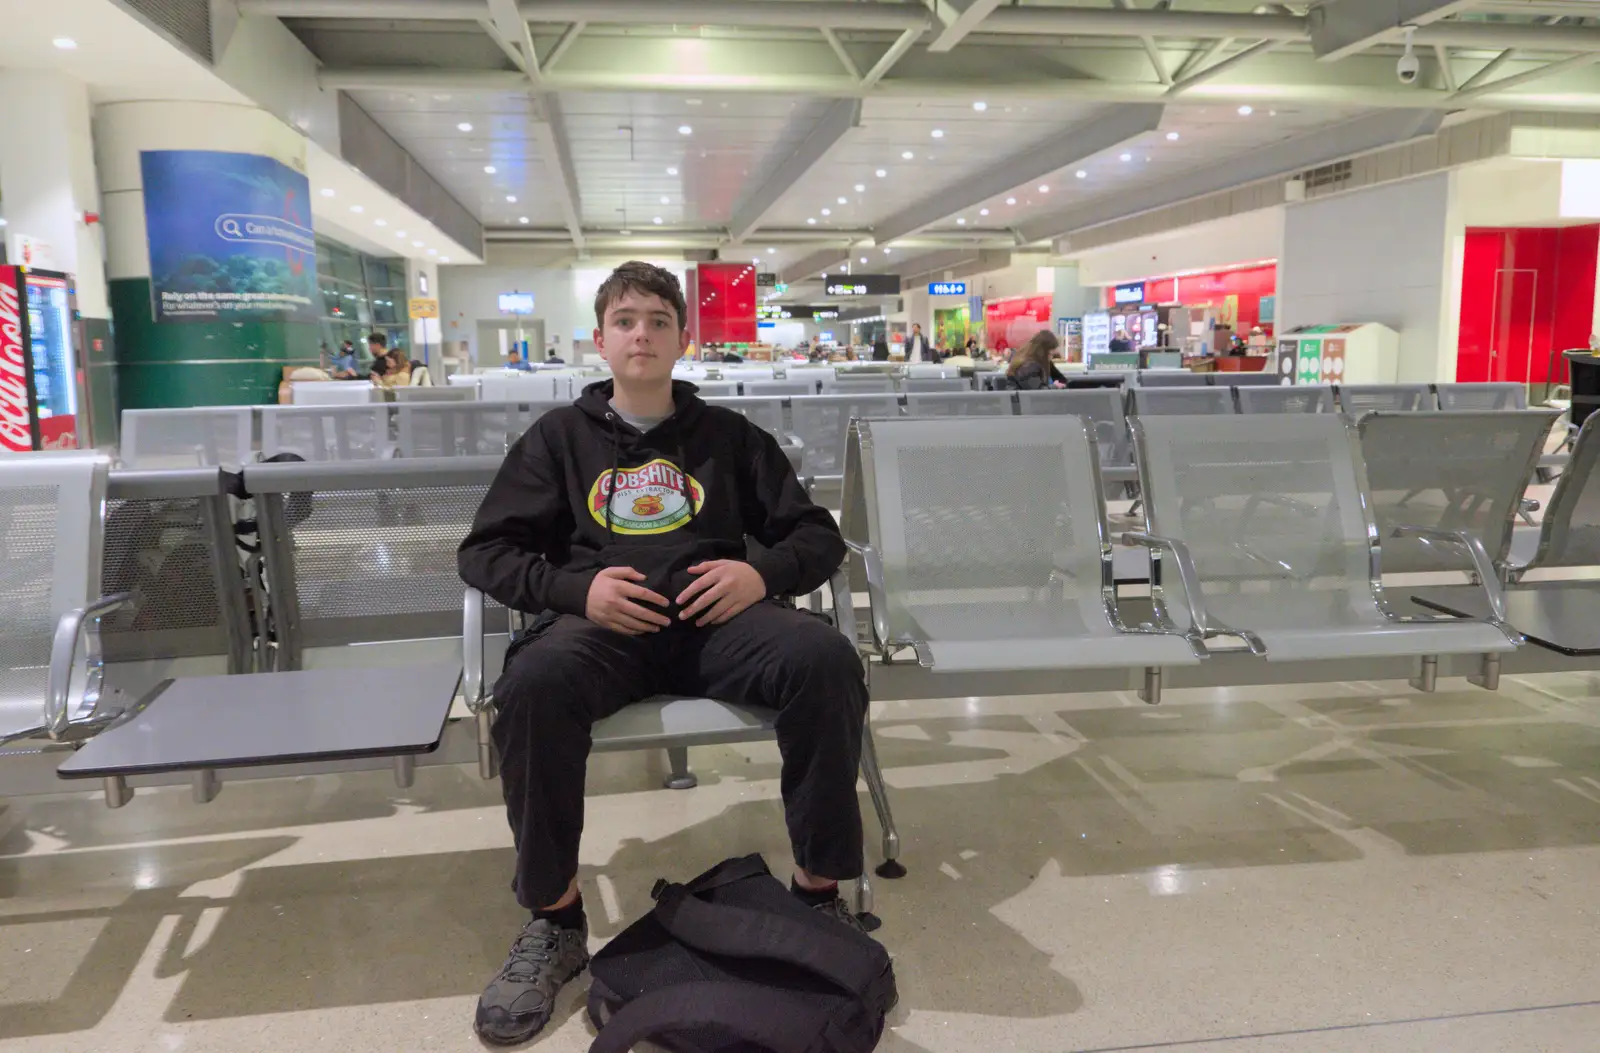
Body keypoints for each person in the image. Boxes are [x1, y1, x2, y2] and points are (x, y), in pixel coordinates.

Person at [456, 261, 872, 1046]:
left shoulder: (730, 438)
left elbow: (816, 536)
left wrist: (760, 572)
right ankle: (554, 917)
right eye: (624, 320)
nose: (640, 333)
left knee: (825, 661)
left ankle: (818, 892)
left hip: (721, 625)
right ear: (599, 339)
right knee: (534, 684)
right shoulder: (557, 440)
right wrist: (578, 593)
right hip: (605, 632)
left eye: (656, 319)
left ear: (684, 337)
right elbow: (485, 553)